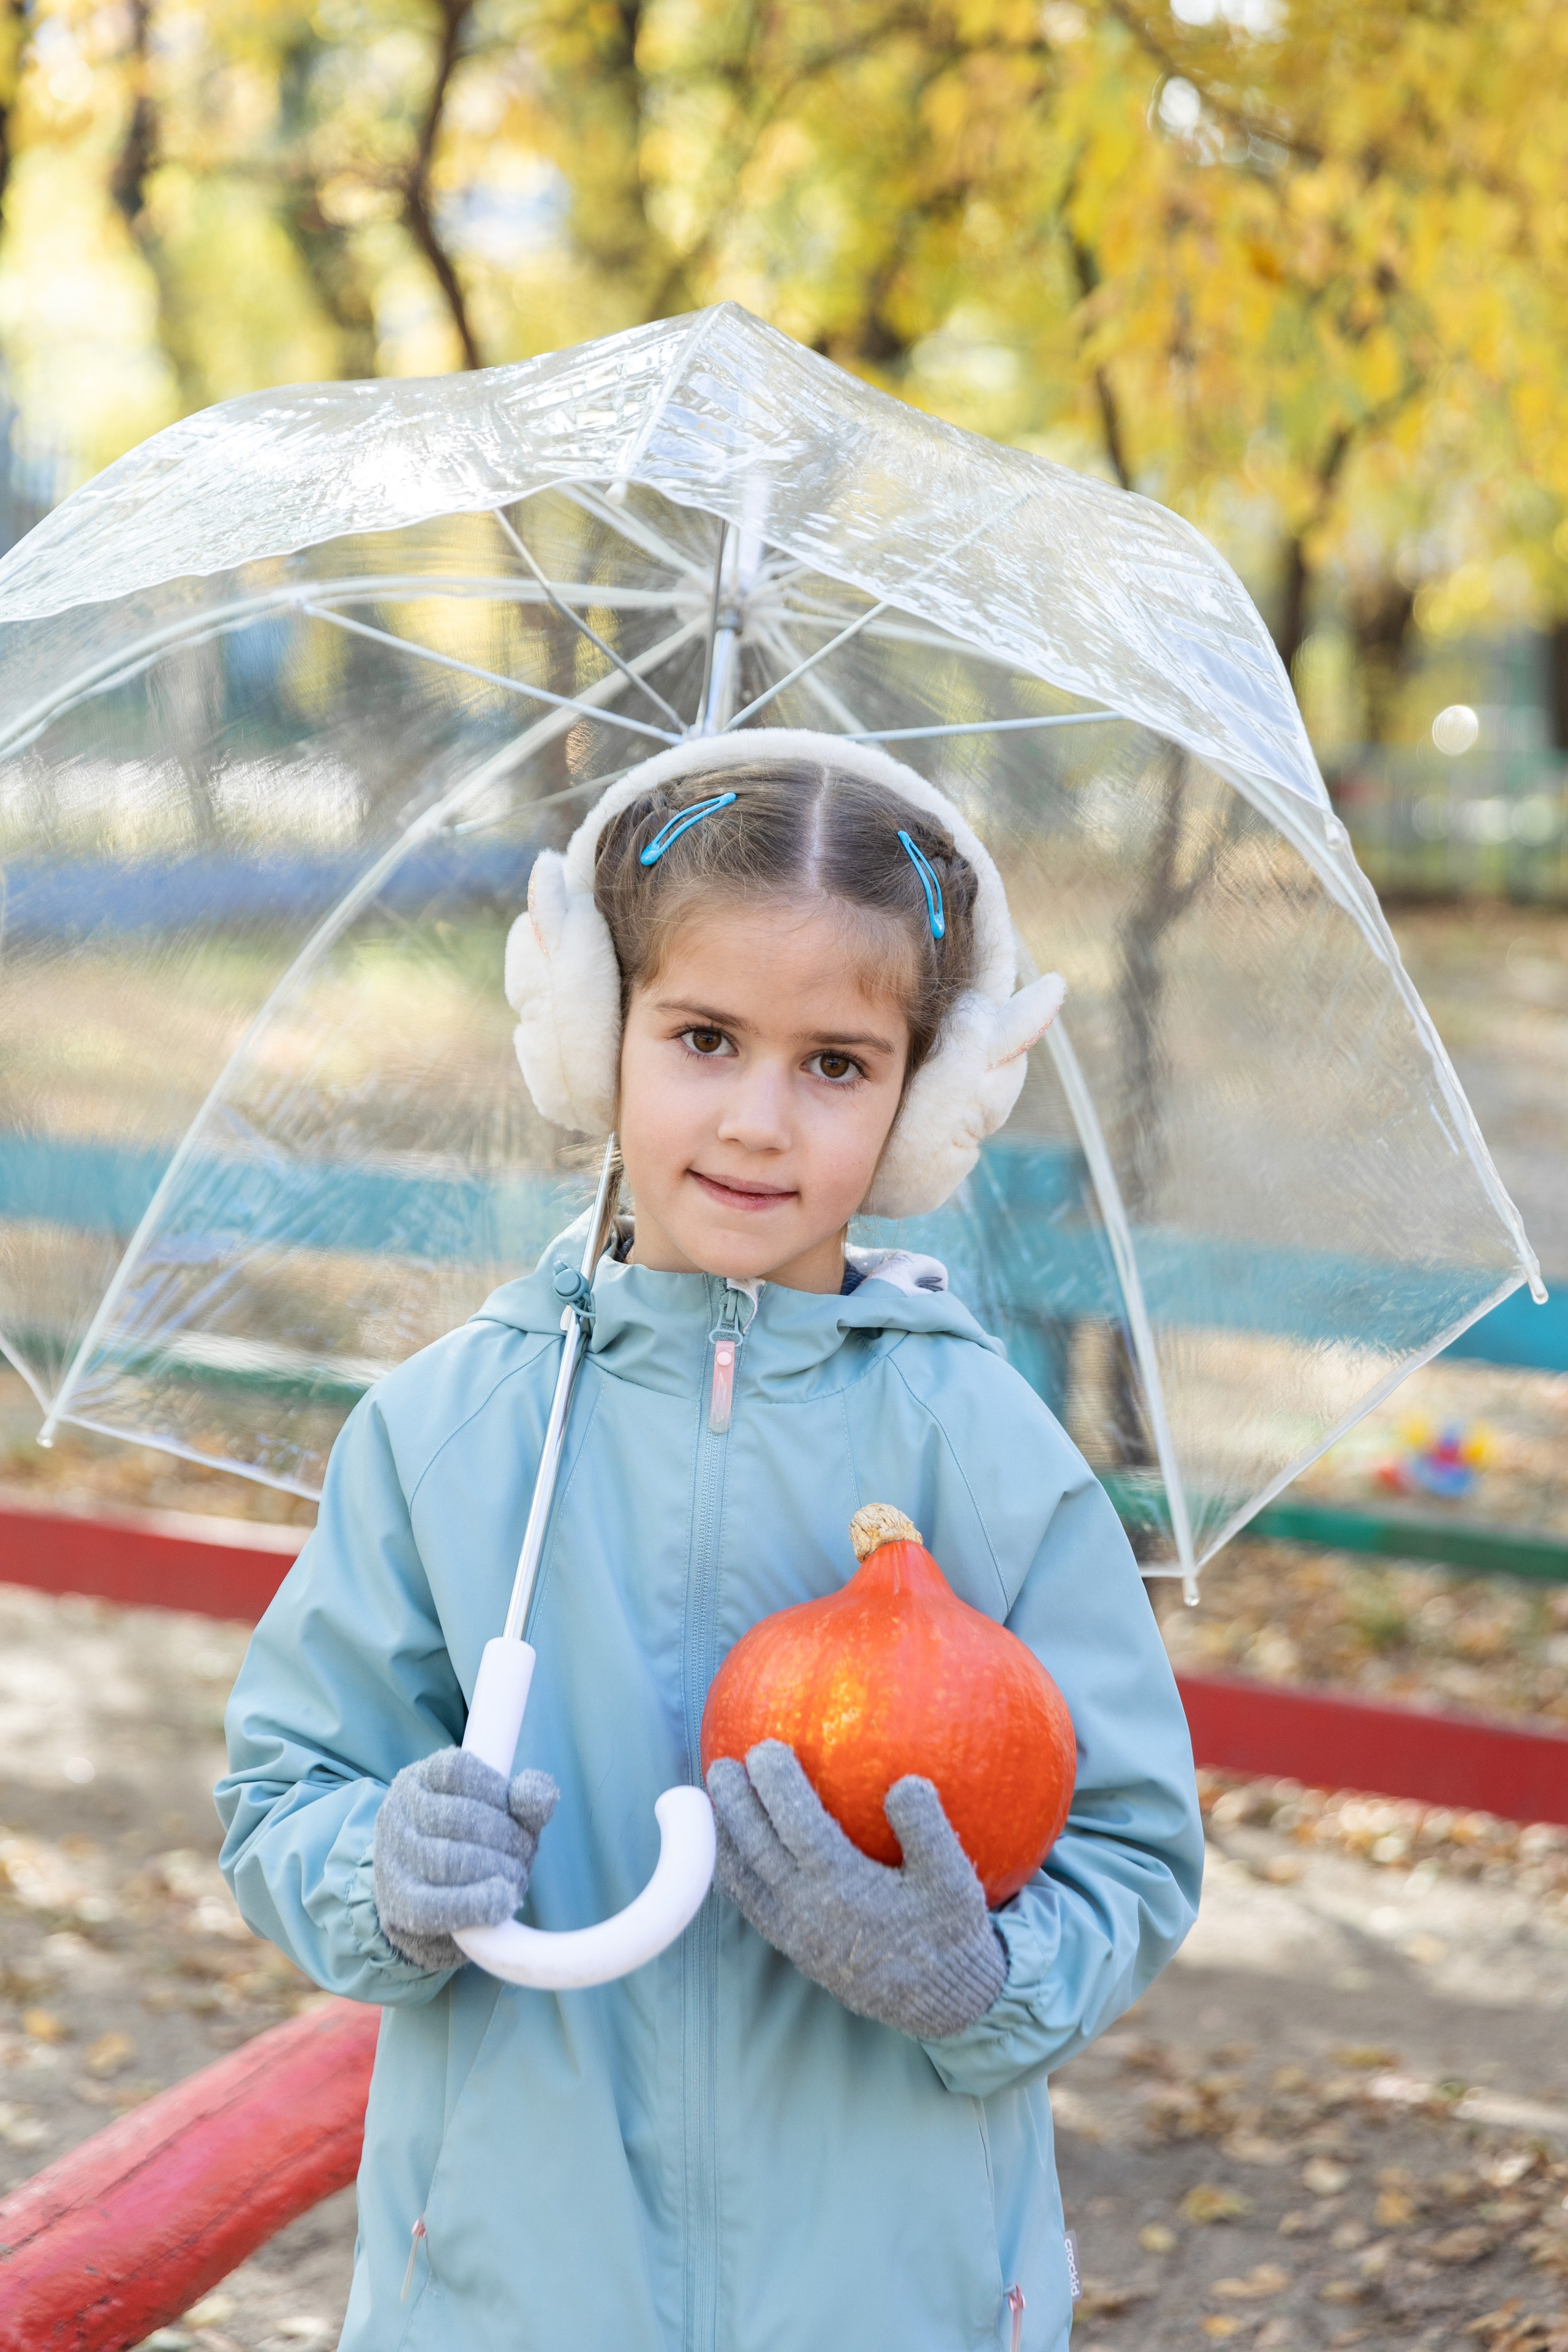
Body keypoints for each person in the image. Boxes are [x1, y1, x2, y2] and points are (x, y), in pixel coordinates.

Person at [216, 728, 1202, 2352]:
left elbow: (1132, 1848)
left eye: (836, 1063)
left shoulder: (987, 1457)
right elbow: (281, 1791)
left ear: (926, 1097)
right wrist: (374, 1872)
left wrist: (983, 1977)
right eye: (703, 1036)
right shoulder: (454, 1434)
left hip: (889, 2294)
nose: (758, 1117)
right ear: (592, 1039)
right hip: (513, 2292)